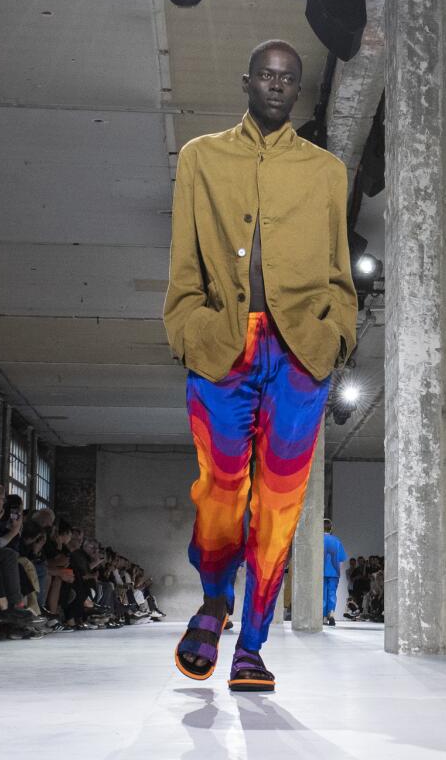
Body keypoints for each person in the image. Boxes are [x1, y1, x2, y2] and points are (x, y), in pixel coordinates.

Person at [164, 39, 357, 693]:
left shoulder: (326, 170)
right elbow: (184, 259)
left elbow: (338, 268)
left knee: (279, 506)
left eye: (289, 78)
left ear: (297, 91)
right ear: (247, 82)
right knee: (219, 495)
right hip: (222, 344)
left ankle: (251, 645)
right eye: (267, 75)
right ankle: (214, 599)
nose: (277, 85)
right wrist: (188, 329)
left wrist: (338, 338)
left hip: (302, 354)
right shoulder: (201, 157)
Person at [321, 519, 348, 628]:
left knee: (322, 594)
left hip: (321, 571)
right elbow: (341, 559)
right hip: (334, 571)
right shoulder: (337, 541)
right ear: (331, 528)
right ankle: (331, 613)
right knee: (332, 593)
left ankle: (323, 617)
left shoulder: (318, 540)